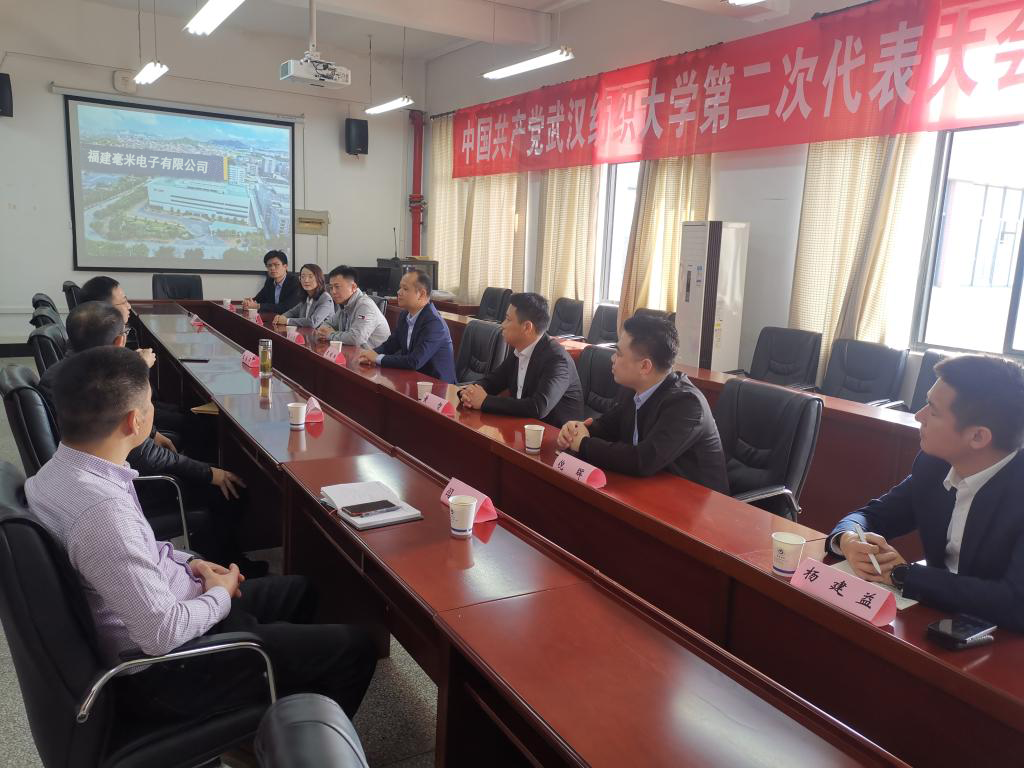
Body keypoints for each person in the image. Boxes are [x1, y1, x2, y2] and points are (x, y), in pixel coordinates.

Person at [25, 346, 377, 722]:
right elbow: (161, 634)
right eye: (149, 403)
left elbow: (139, 548)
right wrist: (219, 595)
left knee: (300, 590)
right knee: (355, 647)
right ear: (134, 422)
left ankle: (275, 705)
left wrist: (192, 563)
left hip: (178, 599)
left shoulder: (59, 473)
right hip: (170, 668)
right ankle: (290, 729)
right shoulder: (101, 512)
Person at [37, 301, 262, 574]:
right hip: (139, 481)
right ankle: (227, 562)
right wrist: (209, 473)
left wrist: (152, 434)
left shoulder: (68, 374)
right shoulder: (103, 382)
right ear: (120, 341)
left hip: (101, 471)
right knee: (227, 488)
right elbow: (142, 454)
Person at [828, 354, 1024, 630]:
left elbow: (1014, 603)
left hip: (1001, 640)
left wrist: (904, 575)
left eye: (933, 411)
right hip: (936, 618)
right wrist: (848, 539)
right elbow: (872, 515)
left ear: (978, 436)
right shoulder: (933, 465)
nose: (918, 416)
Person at [556, 314, 728, 492]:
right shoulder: (634, 388)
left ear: (645, 366)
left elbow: (643, 460)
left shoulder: (687, 404)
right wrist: (576, 431)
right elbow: (607, 427)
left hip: (695, 501)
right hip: (653, 489)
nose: (612, 359)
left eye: (618, 353)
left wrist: (584, 444)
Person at [459, 292, 584, 427]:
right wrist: (468, 392)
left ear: (527, 327)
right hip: (522, 428)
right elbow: (492, 382)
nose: (502, 325)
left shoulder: (557, 360)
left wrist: (485, 401)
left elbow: (538, 407)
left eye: (508, 319)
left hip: (553, 435)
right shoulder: (519, 351)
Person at [356, 269, 456, 384]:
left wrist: (377, 358)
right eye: (400, 288)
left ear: (421, 294)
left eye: (405, 289)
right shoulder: (405, 315)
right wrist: (370, 355)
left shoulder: (434, 324)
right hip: (412, 379)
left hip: (437, 386)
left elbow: (414, 361)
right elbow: (390, 345)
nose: (399, 292)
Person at [316, 266, 391, 348]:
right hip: (353, 351)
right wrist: (325, 331)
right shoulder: (344, 304)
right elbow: (327, 324)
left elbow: (356, 338)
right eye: (331, 287)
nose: (333, 292)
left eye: (337, 287)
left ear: (353, 287)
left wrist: (331, 335)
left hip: (373, 354)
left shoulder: (365, 306)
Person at [273, 263, 334, 328]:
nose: (306, 280)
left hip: (322, 334)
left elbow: (313, 322)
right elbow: (293, 312)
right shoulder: (307, 296)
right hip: (306, 332)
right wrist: (281, 317)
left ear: (319, 278)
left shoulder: (325, 299)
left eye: (310, 277)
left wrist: (287, 321)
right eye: (303, 276)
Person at [243, 250, 302, 314]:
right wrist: (248, 302)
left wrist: (258, 306)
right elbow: (259, 299)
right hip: (274, 317)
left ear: (285, 266)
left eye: (276, 265)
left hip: (291, 318)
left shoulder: (295, 282)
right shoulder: (270, 281)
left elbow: (287, 307)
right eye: (269, 265)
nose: (272, 268)